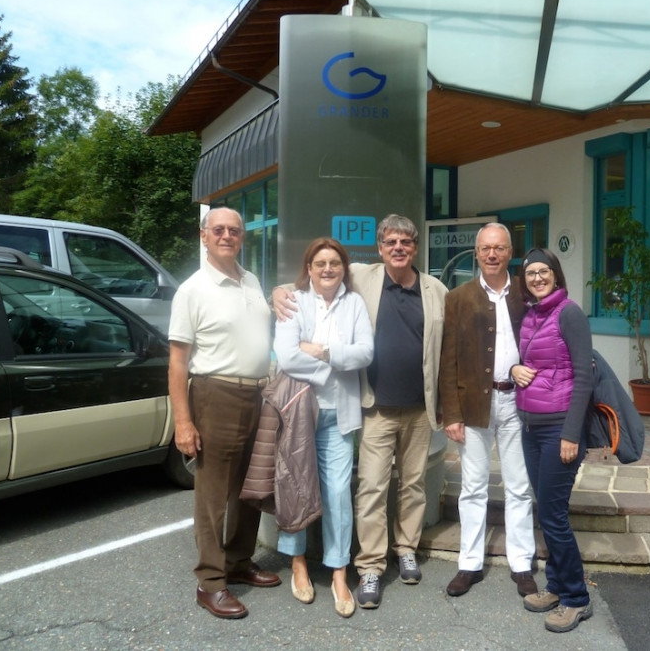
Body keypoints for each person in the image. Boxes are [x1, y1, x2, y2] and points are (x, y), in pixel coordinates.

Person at [273, 214, 448, 610]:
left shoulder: (435, 289)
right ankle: (369, 565)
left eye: (406, 242)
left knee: (412, 484)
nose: (398, 248)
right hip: (372, 407)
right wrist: (275, 292)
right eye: (391, 242)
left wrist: (322, 353)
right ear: (381, 247)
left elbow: (439, 350)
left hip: (418, 407)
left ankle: (404, 548)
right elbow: (311, 278)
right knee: (369, 488)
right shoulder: (363, 278)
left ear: (416, 247)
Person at [168, 207, 280, 620]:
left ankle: (239, 560)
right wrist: (183, 421)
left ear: (242, 237)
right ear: (204, 236)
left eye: (234, 230)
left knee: (250, 486)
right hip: (216, 394)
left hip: (257, 394)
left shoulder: (249, 281)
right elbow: (178, 362)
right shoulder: (193, 290)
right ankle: (211, 581)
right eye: (219, 230)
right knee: (214, 494)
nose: (227, 236)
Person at [273, 237, 374, 619]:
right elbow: (286, 355)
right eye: (320, 263)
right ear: (309, 268)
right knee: (297, 484)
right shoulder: (293, 301)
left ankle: (338, 571)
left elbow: (366, 351)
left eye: (334, 262)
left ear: (343, 267)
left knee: (336, 493)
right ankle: (297, 562)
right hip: (300, 411)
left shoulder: (355, 303)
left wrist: (323, 351)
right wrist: (332, 366)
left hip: (339, 415)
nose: (328, 269)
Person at [438, 222, 537, 599]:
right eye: (485, 248)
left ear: (510, 252)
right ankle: (469, 563)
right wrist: (452, 414)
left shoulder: (526, 295)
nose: (492, 254)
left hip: (518, 402)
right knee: (473, 487)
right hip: (475, 403)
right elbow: (448, 361)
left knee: (518, 486)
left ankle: (522, 562)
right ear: (476, 253)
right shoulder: (458, 298)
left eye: (499, 248)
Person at [510, 248, 594, 633]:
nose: (538, 278)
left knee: (554, 516)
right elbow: (531, 364)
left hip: (558, 426)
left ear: (556, 276)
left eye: (544, 272)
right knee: (545, 510)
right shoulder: (532, 313)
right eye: (531, 274)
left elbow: (583, 376)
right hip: (530, 425)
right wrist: (515, 370)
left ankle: (576, 598)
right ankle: (557, 586)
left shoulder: (570, 313)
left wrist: (571, 434)